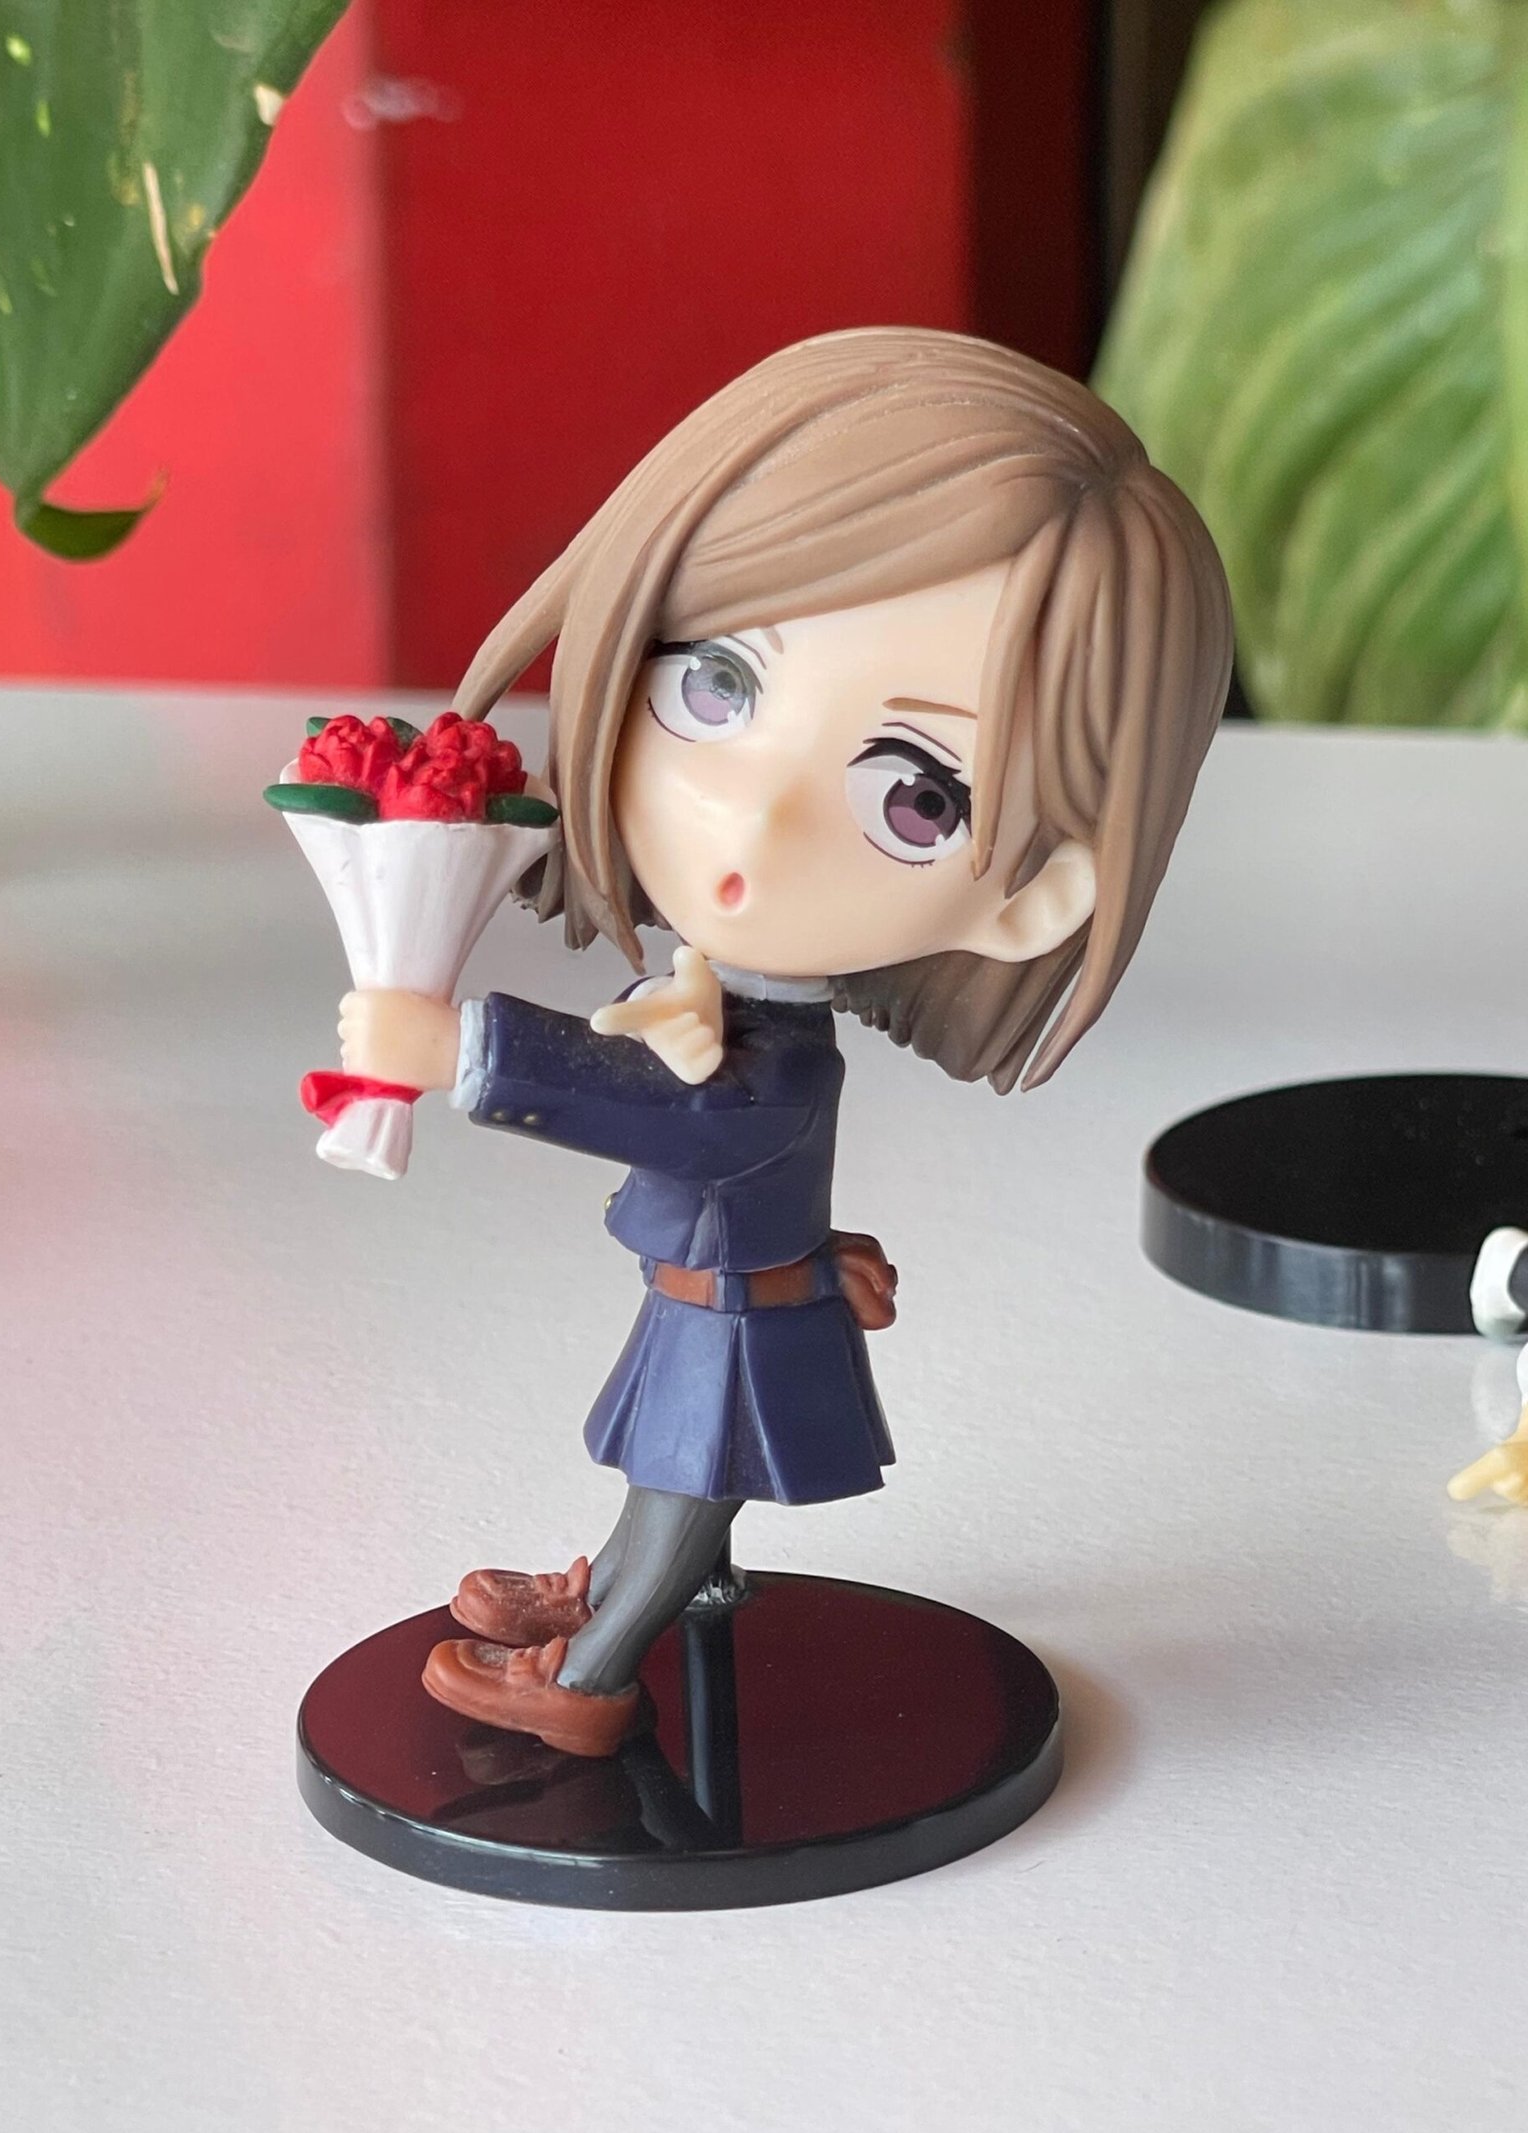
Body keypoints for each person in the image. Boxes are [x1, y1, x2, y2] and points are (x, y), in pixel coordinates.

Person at [338, 327, 1234, 1756]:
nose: (753, 815)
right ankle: (615, 1589)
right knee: (672, 1483)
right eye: (715, 687)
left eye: (915, 798)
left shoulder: (772, 1066)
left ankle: (589, 1678)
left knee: (683, 1487)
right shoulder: (738, 1013)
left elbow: (669, 1113)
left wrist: (465, 1052)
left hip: (736, 1315)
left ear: (1032, 897)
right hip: (720, 1295)